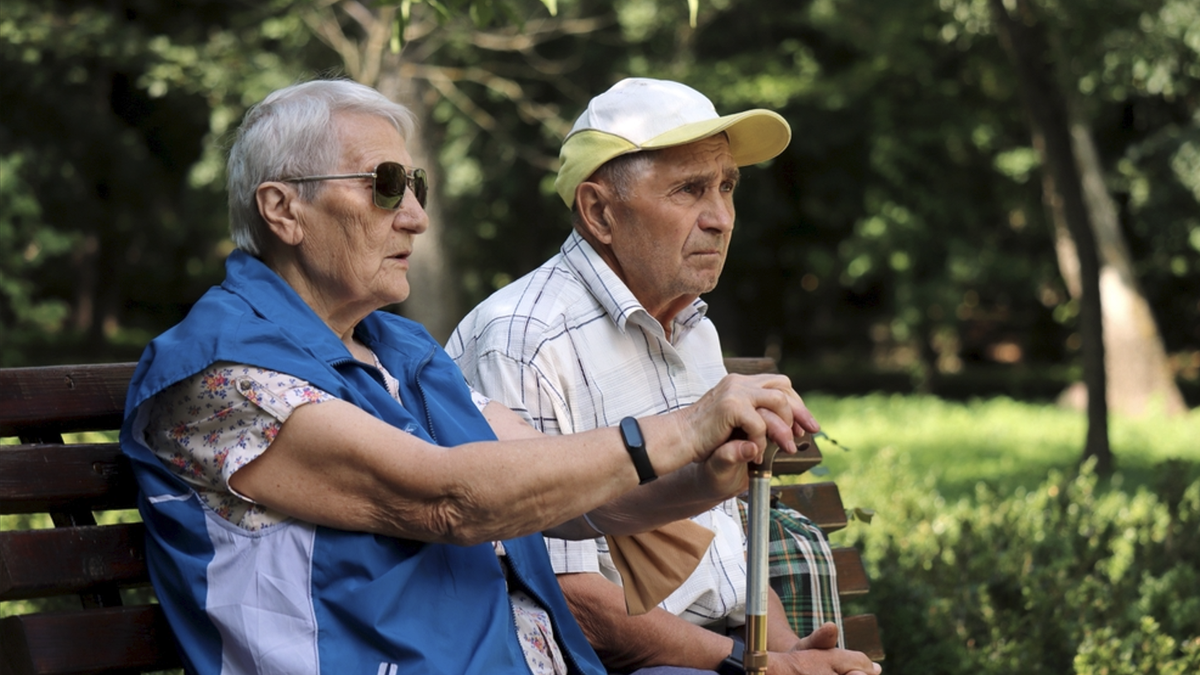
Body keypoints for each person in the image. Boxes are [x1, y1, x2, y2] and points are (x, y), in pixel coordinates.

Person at [118, 78, 819, 675]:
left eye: (414, 185)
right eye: (385, 187)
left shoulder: (395, 349)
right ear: (282, 210)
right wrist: (685, 427)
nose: (416, 217)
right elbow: (448, 500)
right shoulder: (224, 378)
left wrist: (703, 477)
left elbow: (564, 497)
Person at [449, 78, 879, 675]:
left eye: (727, 187)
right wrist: (748, 664)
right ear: (600, 211)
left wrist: (781, 649)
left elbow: (729, 551)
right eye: (689, 190)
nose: (722, 219)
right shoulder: (523, 338)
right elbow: (568, 598)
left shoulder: (693, 325)